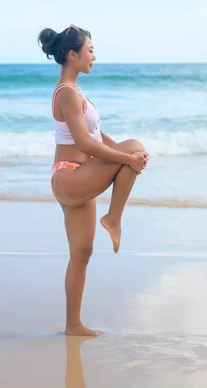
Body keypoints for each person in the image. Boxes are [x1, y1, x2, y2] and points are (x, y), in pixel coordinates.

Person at [37, 24, 149, 336]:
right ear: (72, 55)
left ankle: (73, 325)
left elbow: (97, 137)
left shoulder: (75, 93)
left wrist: (128, 158)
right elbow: (85, 145)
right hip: (70, 175)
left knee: (81, 252)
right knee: (134, 147)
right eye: (89, 50)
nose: (94, 56)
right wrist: (128, 158)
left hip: (80, 176)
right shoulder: (67, 95)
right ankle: (113, 218)